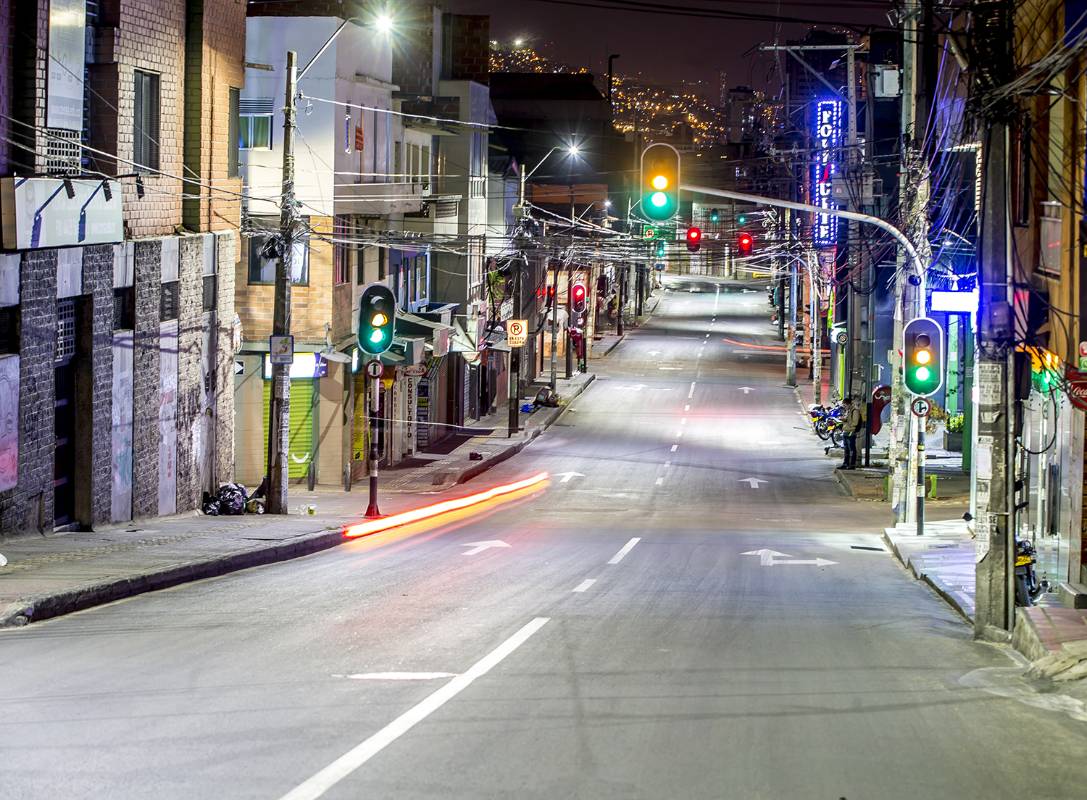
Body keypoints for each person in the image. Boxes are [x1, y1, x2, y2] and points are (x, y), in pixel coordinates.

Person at [841, 396, 862, 470]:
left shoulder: (855, 411)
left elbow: (855, 423)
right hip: (846, 431)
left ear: (849, 404)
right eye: (843, 405)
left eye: (845, 405)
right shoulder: (848, 411)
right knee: (846, 449)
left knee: (852, 449)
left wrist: (846, 420)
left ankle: (852, 464)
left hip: (851, 431)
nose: (844, 407)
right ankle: (845, 463)